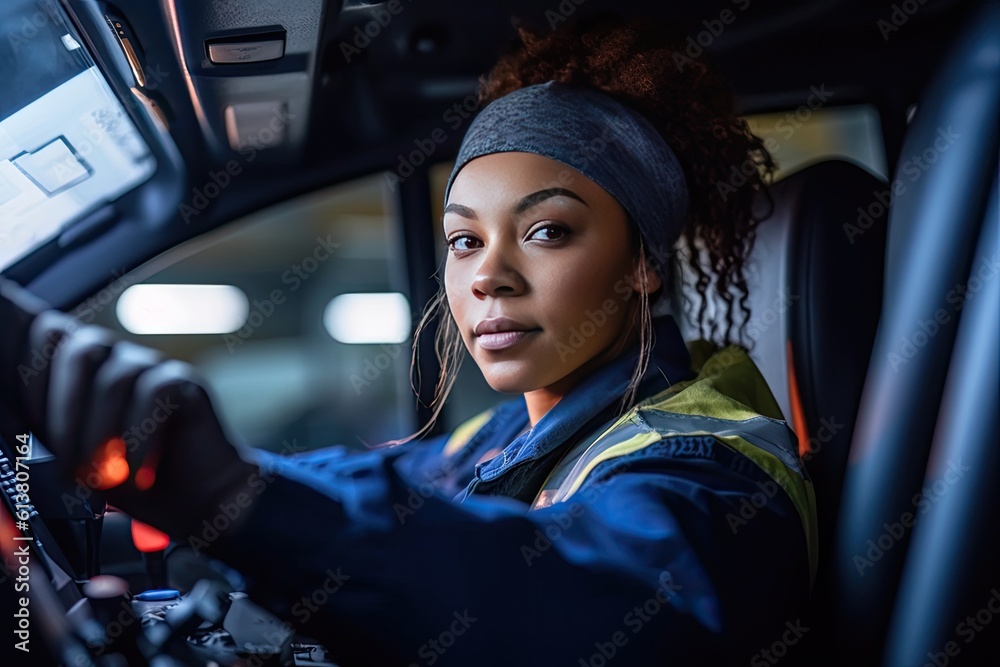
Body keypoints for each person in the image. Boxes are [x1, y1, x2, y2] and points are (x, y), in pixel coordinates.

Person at [0, 15, 816, 666]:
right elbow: (390, 479)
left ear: (641, 260)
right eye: (464, 241)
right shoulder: (523, 430)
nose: (488, 275)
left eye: (546, 230)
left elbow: (592, 606)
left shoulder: (710, 466)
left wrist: (236, 500)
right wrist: (211, 476)